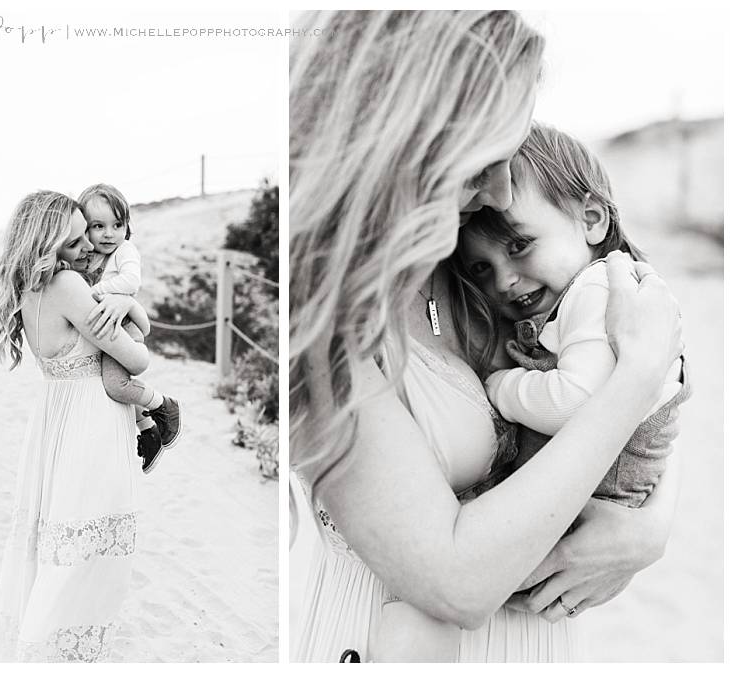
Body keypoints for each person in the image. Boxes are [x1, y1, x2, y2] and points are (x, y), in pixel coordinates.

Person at [289, 10, 682, 663]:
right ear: (406, 136)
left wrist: (651, 526)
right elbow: (454, 582)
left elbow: (650, 389)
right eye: (490, 150)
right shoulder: (319, 325)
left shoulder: (468, 266)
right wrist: (635, 376)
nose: (500, 188)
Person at [374, 123, 691, 661]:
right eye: (482, 267)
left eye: (520, 246)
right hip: (453, 579)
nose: (504, 282)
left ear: (591, 219)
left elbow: (658, 385)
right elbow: (637, 384)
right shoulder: (535, 295)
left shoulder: (597, 291)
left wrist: (652, 529)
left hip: (550, 554)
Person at [0, 190, 150, 662]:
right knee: (84, 554)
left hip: (53, 418)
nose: (88, 249)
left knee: (50, 544)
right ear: (49, 243)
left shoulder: (28, 287)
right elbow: (137, 356)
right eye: (75, 242)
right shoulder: (68, 286)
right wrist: (132, 311)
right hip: (89, 422)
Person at [76, 183, 182, 473]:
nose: (108, 233)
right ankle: (148, 432)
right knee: (102, 385)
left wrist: (97, 291)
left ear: (126, 226)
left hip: (124, 329)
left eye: (117, 224)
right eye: (98, 226)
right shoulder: (88, 255)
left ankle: (164, 406)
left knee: (115, 385)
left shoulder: (125, 251)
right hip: (102, 329)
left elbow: (130, 282)